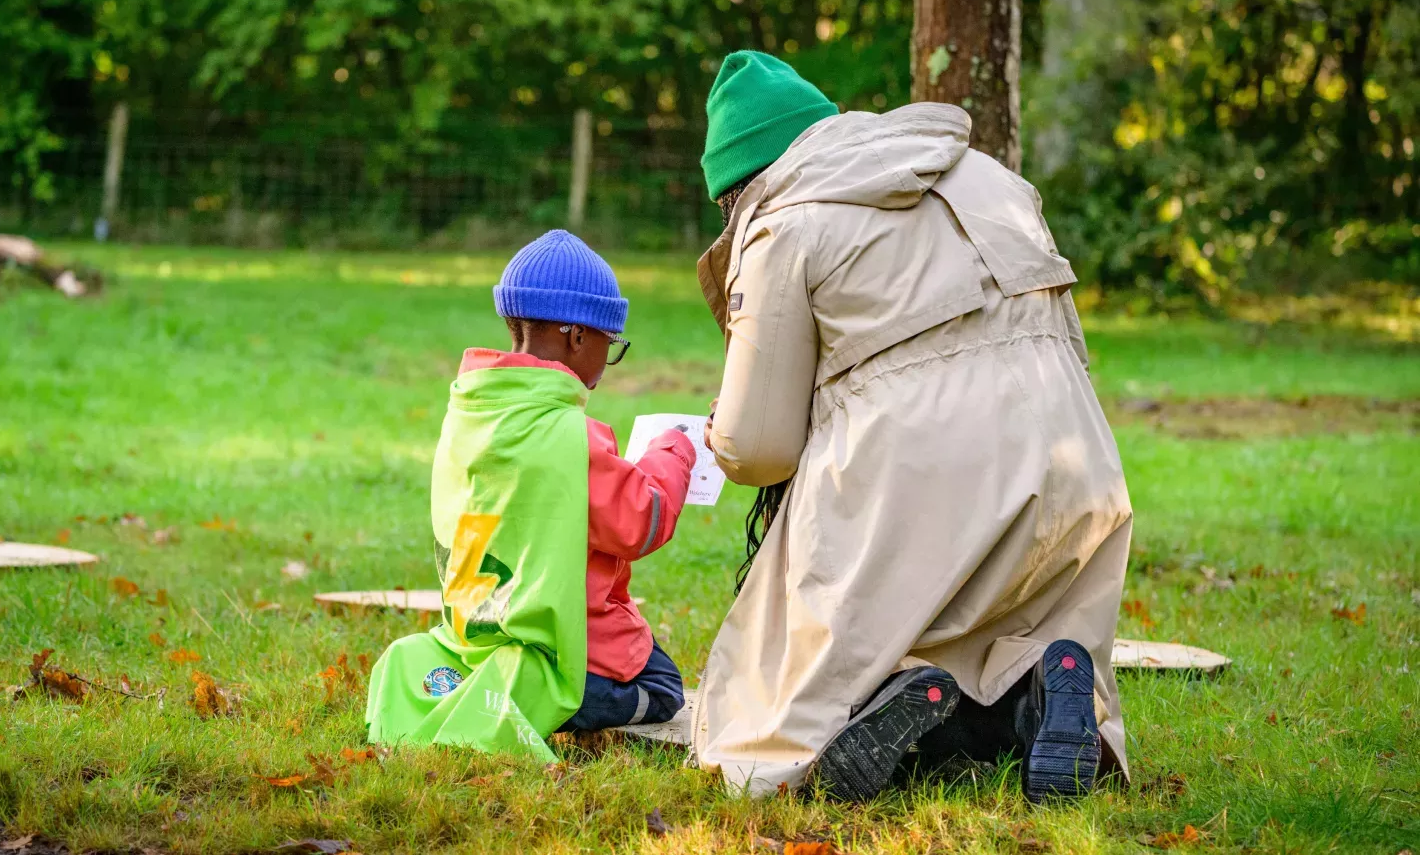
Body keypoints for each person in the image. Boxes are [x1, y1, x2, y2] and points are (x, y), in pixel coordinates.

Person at [688, 52, 1134, 803]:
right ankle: (1038, 684)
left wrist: (720, 435)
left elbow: (757, 448)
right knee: (1017, 617)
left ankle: (874, 704)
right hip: (1074, 467)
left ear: (737, 186)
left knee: (786, 681)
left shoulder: (784, 220)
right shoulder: (990, 177)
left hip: (918, 483)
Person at [364, 229, 695, 762]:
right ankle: (533, 698)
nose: (608, 361)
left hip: (479, 620)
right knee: (663, 686)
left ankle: (478, 679)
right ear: (577, 337)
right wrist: (673, 452)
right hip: (560, 633)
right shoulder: (569, 435)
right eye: (612, 344)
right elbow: (643, 520)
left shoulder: (469, 409)